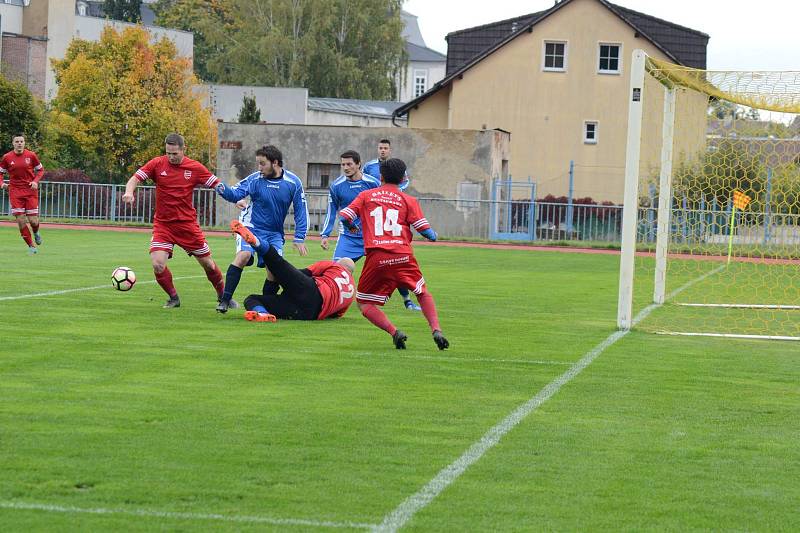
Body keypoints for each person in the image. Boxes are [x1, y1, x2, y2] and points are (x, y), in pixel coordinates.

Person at [339, 158, 449, 350]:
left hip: (377, 257)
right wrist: (433, 236)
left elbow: (345, 216)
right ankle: (436, 330)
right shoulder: (409, 200)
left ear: (380, 176)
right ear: (403, 179)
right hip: (403, 255)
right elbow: (425, 231)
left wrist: (352, 227)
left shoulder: (366, 196)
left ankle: (394, 332)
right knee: (421, 292)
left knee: (364, 303)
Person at [122, 133, 226, 308]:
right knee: (157, 264)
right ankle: (173, 298)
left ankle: (224, 296)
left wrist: (236, 198)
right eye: (168, 153)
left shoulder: (195, 168)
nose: (171, 157)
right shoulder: (157, 163)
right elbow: (135, 178)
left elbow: (217, 184)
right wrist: (129, 192)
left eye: (175, 153)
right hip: (163, 225)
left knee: (207, 263)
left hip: (187, 225)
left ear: (183, 149)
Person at [214, 144, 309, 313]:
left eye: (262, 163)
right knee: (243, 256)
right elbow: (236, 194)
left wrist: (299, 237)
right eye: (258, 163)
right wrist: (220, 187)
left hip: (274, 234)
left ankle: (265, 307)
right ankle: (225, 300)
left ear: (275, 163)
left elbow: (301, 210)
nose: (259, 168)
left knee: (274, 271)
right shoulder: (255, 179)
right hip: (251, 227)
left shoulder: (293, 182)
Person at [231, 220, 355, 321]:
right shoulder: (352, 291)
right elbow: (336, 315)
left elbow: (305, 273)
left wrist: (282, 276)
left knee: (276, 262)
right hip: (310, 314)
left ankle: (256, 242)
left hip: (312, 291)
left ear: (340, 264)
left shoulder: (335, 266)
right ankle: (263, 314)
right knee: (252, 299)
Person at [362, 138, 421, 311]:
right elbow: (365, 182)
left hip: (389, 214)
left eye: (385, 148)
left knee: (394, 259)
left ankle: (407, 300)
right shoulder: (369, 166)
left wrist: (393, 193)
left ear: (390, 150)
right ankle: (341, 291)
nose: (382, 150)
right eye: (380, 147)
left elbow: (405, 181)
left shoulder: (397, 167)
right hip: (372, 214)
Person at [320, 149, 380, 261]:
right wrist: (325, 234)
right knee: (337, 270)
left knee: (381, 274)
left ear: (358, 164)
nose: (346, 168)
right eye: (343, 164)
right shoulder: (336, 186)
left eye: (349, 164)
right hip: (348, 237)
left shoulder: (373, 183)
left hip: (372, 237)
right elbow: (331, 211)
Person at [0, 134, 45, 254]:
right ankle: (31, 246)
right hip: (15, 191)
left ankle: (36, 232)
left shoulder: (31, 155)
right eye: (17, 141)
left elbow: (40, 170)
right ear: (13, 143)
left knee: (33, 221)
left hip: (30, 191)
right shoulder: (7, 157)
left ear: (24, 143)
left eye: (21, 141)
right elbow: (0, 173)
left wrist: (35, 181)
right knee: (20, 220)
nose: (19, 143)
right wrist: (2, 184)